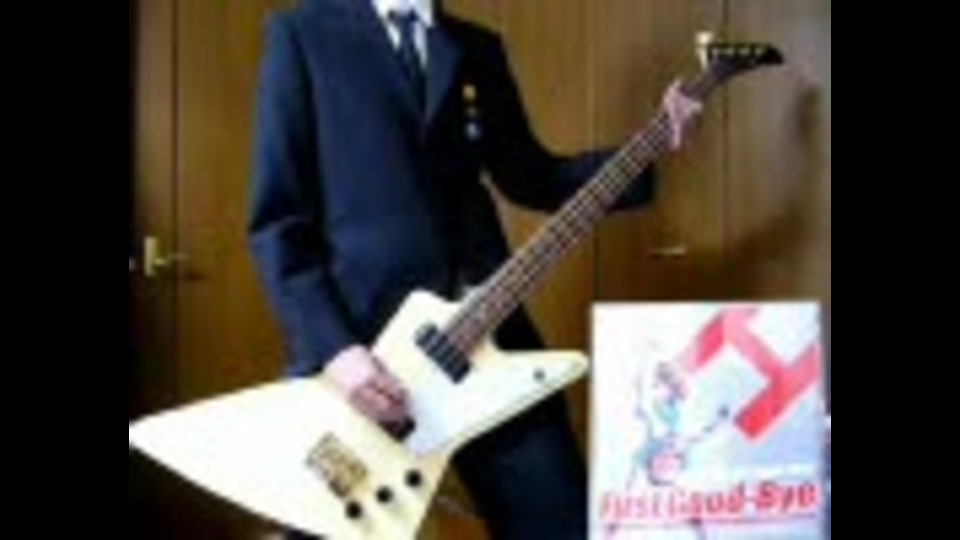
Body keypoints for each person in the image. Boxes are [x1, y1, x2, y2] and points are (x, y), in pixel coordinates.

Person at [248, 0, 701, 537]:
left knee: (559, 520)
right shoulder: (302, 35)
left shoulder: (477, 48)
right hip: (366, 357)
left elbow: (532, 175)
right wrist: (338, 351)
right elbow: (277, 222)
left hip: (486, 331)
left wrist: (653, 142)